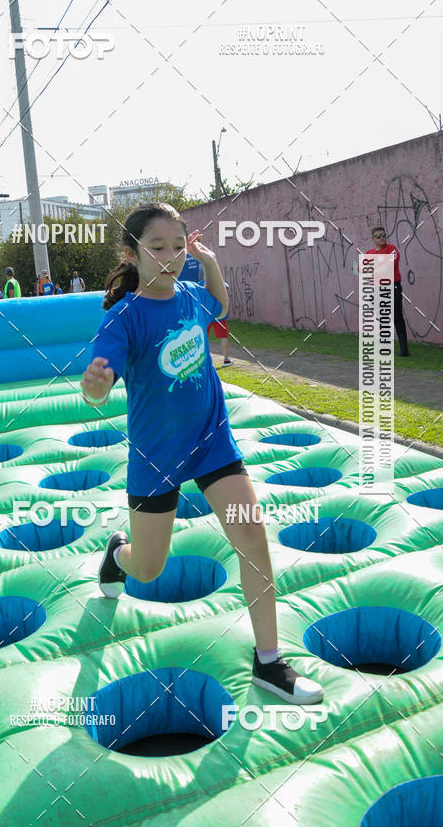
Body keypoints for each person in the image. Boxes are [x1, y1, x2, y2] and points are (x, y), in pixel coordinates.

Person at [82, 202, 324, 704]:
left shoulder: (191, 296)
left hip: (213, 445)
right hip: (156, 457)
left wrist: (209, 262)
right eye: (158, 248)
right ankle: (116, 554)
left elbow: (220, 302)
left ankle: (269, 663)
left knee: (253, 541)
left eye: (177, 247)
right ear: (133, 253)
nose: (170, 258)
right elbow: (99, 379)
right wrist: (97, 386)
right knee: (148, 568)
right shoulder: (125, 318)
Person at [366, 226, 409, 356]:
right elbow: (363, 269)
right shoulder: (369, 253)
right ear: (373, 239)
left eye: (383, 235)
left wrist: (374, 266)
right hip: (377, 288)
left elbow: (390, 264)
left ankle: (403, 348)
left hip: (393, 286)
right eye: (378, 236)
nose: (382, 238)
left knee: (397, 316)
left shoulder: (392, 249)